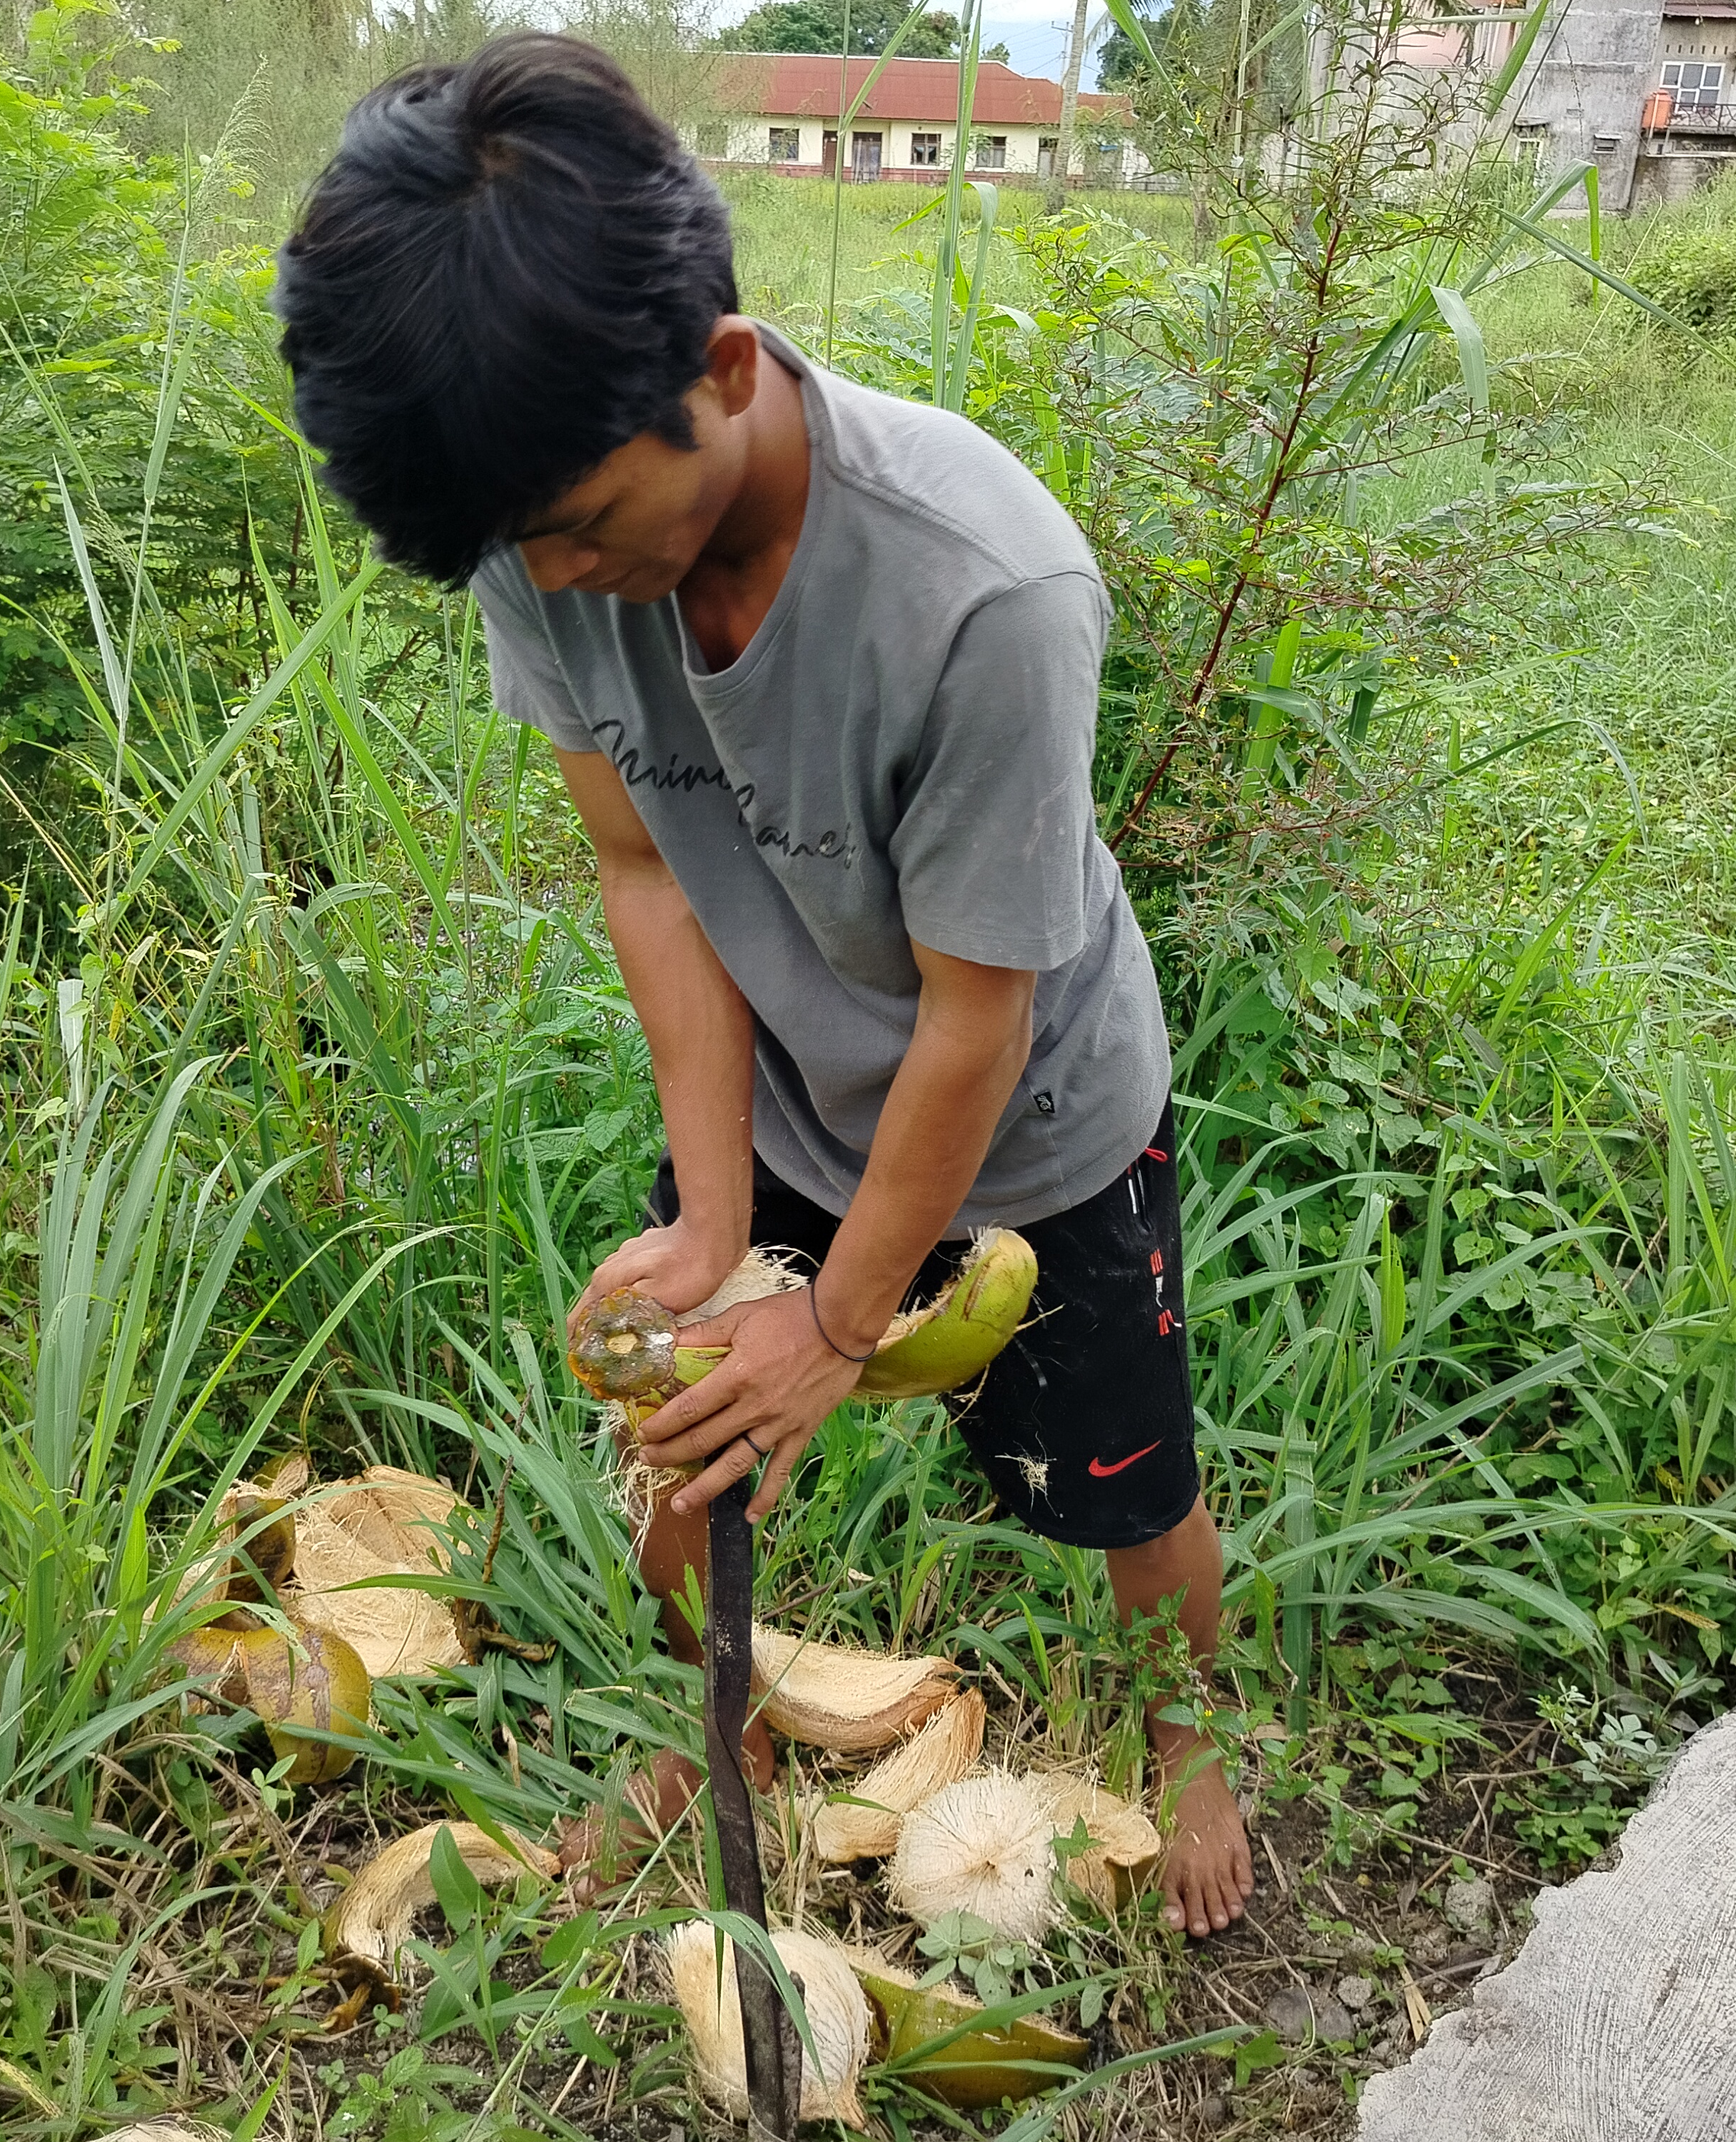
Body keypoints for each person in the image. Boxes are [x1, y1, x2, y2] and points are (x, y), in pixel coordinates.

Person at [273, 32, 1253, 1938]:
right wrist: (722, 1217)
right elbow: (649, 870)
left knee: (1123, 1479)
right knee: (692, 1450)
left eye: (579, 527)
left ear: (720, 371)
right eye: (518, 549)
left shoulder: (984, 598)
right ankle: (695, 1727)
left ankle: (1191, 1737)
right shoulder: (534, 522)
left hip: (1032, 1114)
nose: (557, 577)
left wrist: (849, 1317)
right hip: (789, 1068)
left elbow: (984, 1019)